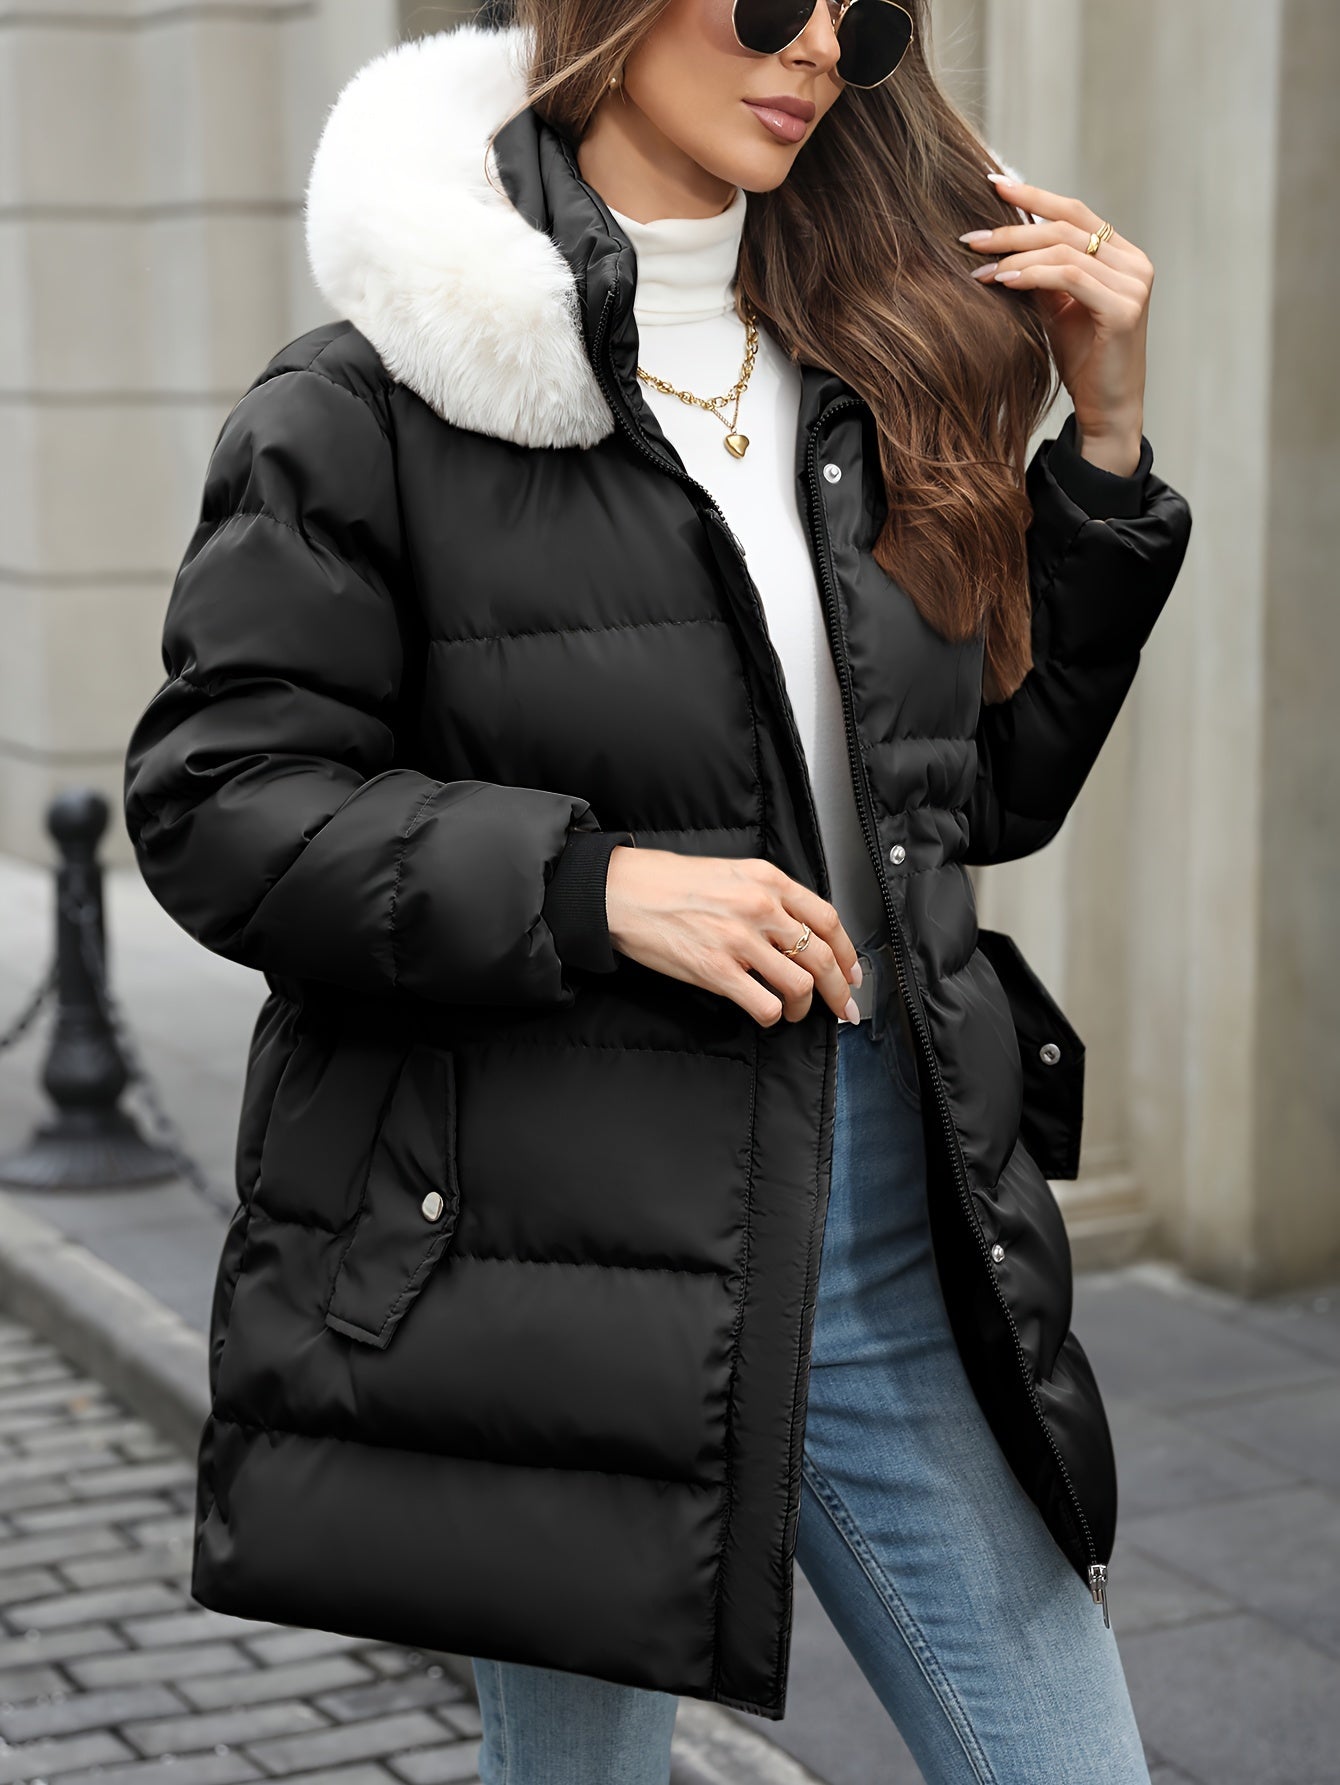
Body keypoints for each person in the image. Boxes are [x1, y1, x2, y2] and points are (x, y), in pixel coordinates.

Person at [122, 3, 1192, 1781]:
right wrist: (595, 885)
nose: (817, 47)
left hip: (883, 1207)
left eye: (864, 14)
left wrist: (1106, 442)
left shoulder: (875, 374)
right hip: (558, 1235)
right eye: (770, 2)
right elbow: (219, 800)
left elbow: (978, 797)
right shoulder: (379, 398)